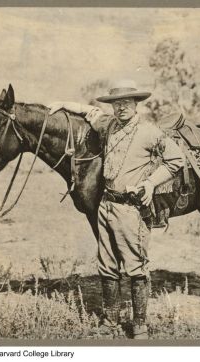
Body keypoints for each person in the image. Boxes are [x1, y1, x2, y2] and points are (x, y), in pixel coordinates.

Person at [48, 79, 184, 339]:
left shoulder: (149, 132)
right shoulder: (108, 125)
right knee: (107, 265)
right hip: (106, 205)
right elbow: (90, 112)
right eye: (116, 103)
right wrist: (63, 104)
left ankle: (140, 326)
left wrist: (150, 183)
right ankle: (110, 322)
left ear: (136, 104)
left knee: (136, 267)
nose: (120, 108)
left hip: (131, 210)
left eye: (125, 103)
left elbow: (175, 159)